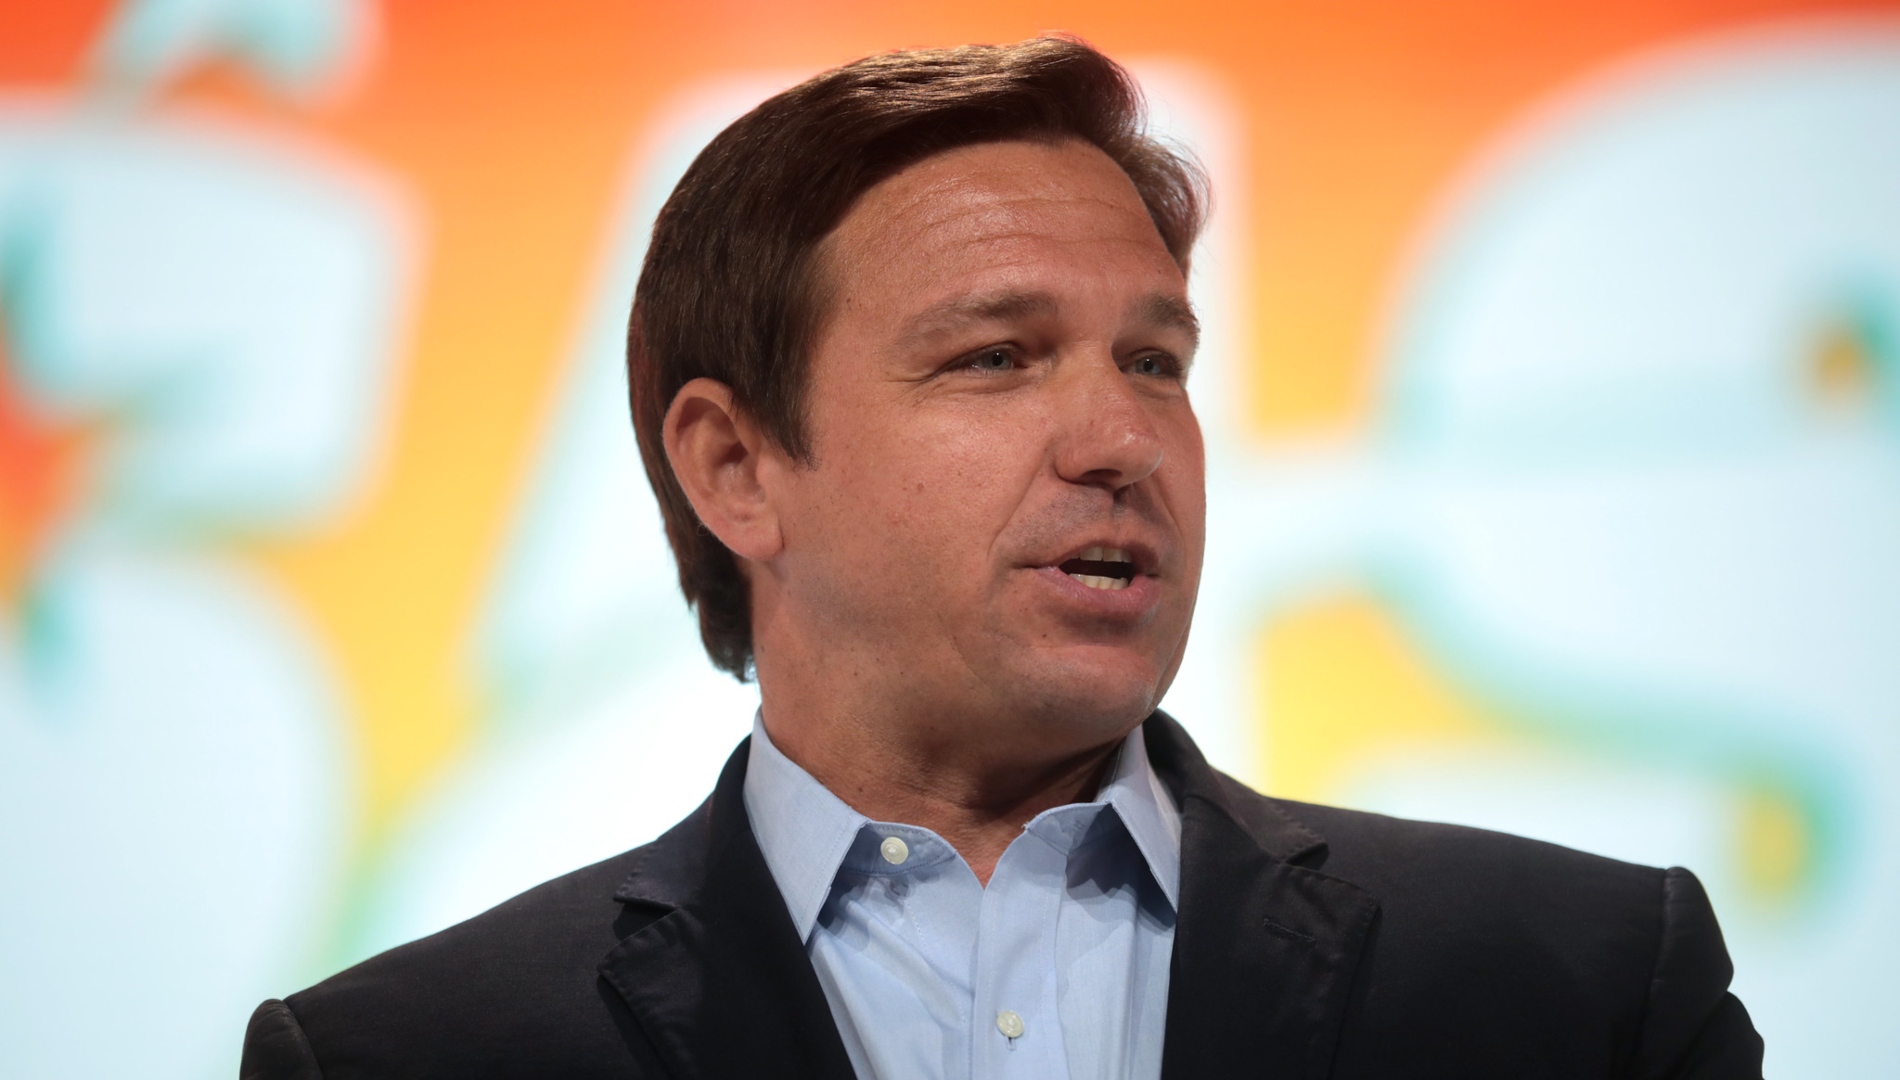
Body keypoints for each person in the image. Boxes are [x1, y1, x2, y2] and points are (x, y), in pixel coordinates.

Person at [239, 36, 1763, 1080]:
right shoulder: (405, 1059)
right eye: (996, 357)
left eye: (1156, 363)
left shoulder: (1585, 989)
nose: (1124, 440)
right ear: (735, 468)